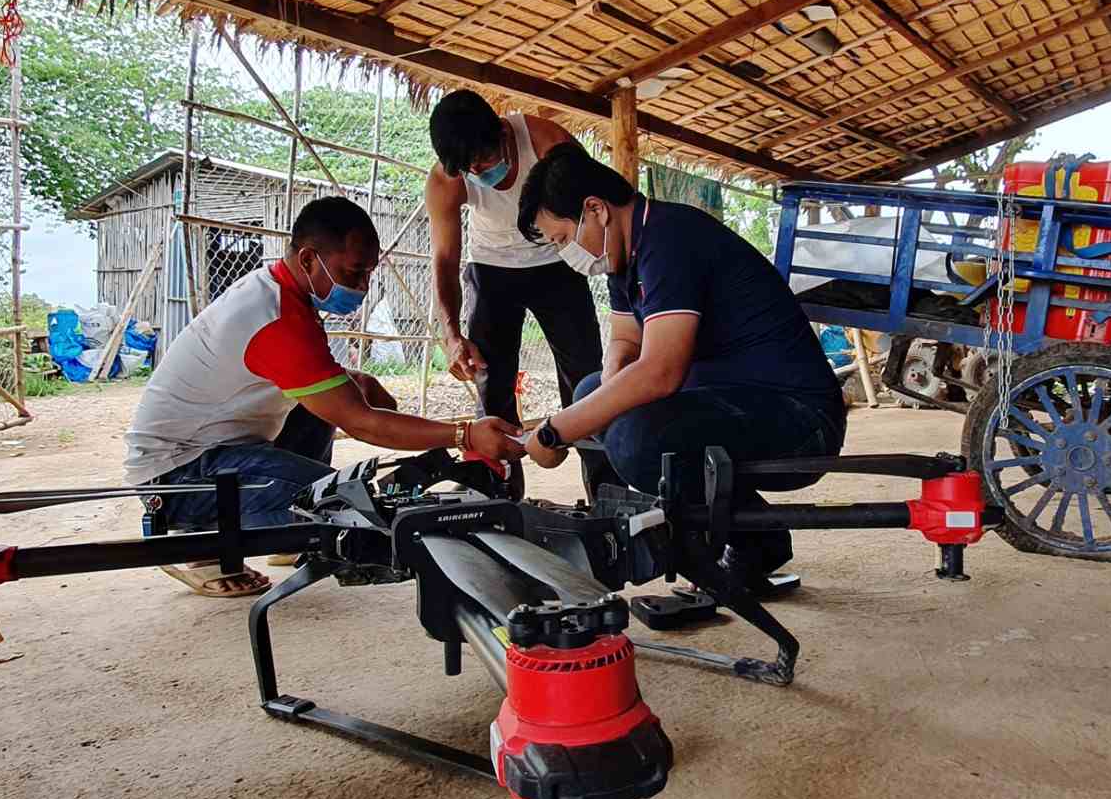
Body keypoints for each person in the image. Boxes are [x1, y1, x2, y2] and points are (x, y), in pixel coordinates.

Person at [125, 196, 525, 598]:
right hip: (180, 478)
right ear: (308, 259)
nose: (363, 286)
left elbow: (319, 382)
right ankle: (205, 545)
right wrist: (465, 435)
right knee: (345, 510)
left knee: (329, 412)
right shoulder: (275, 319)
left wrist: (360, 384)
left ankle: (287, 530)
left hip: (215, 449)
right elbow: (362, 422)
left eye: (369, 272)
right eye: (353, 272)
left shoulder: (279, 293)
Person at [513, 143, 847, 586]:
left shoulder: (670, 240)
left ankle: (727, 543)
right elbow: (626, 338)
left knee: (638, 441)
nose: (566, 253)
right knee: (594, 392)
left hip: (801, 420)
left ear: (595, 210)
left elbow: (660, 371)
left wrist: (554, 431)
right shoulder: (625, 255)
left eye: (561, 239)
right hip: (736, 398)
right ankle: (756, 537)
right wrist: (612, 387)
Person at [425, 89, 620, 497]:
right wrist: (451, 333)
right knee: (490, 380)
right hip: (492, 269)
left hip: (557, 263)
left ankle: (609, 489)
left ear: (500, 132)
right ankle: (496, 494)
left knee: (586, 377)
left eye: (484, 160)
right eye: (468, 169)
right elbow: (445, 258)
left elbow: (592, 215)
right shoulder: (448, 178)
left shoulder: (549, 143)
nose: (478, 172)